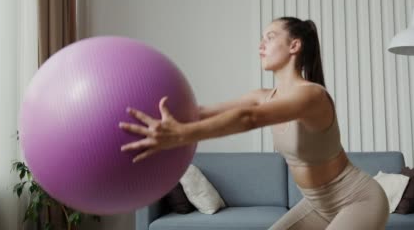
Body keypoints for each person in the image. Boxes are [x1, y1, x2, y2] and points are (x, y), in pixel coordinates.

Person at [119, 17, 389, 230]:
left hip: (359, 201)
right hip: (319, 205)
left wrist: (182, 135)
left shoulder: (312, 95)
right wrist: (145, 116)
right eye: (261, 38)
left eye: (270, 37)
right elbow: (201, 112)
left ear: (294, 46)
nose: (261, 44)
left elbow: (249, 118)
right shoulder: (262, 96)